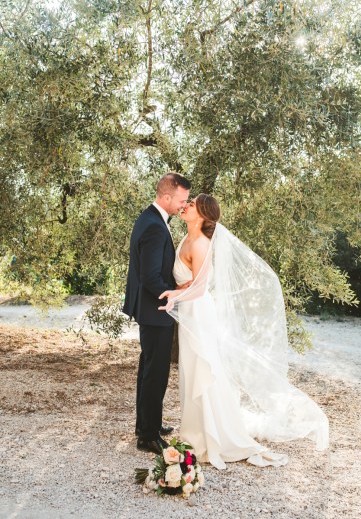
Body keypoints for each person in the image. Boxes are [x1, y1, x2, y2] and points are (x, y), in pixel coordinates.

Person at [159, 194, 329, 469]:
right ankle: (195, 433)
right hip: (191, 312)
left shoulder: (200, 242)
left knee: (204, 370)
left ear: (201, 214)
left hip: (199, 314)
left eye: (191, 205)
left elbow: (200, 288)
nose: (186, 206)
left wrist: (173, 297)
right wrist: (179, 290)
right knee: (192, 372)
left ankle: (213, 435)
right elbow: (192, 280)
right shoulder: (187, 238)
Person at [122, 173, 191, 454]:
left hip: (151, 310)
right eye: (181, 200)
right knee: (156, 373)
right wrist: (174, 294)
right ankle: (148, 436)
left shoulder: (150, 218)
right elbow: (151, 277)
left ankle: (147, 424)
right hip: (156, 309)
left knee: (149, 369)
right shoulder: (153, 225)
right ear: (166, 197)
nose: (184, 205)